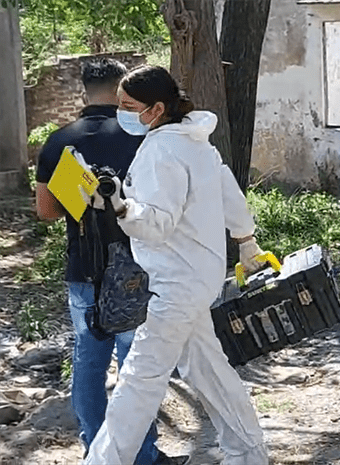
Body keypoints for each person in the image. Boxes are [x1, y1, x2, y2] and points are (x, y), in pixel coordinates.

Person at [81, 65, 269, 465]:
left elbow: (156, 224)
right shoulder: (197, 142)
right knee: (209, 371)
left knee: (138, 381)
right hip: (198, 278)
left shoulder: (160, 150)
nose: (122, 112)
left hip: (171, 283)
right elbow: (230, 195)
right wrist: (247, 241)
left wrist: (120, 206)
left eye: (129, 106)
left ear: (156, 108)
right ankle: (249, 453)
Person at [35, 58, 182, 465]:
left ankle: (95, 450)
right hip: (141, 267)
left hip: (84, 267)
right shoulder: (144, 137)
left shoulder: (60, 140)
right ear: (122, 91)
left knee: (89, 361)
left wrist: (80, 196)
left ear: (83, 90)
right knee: (137, 367)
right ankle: (142, 454)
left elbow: (46, 210)